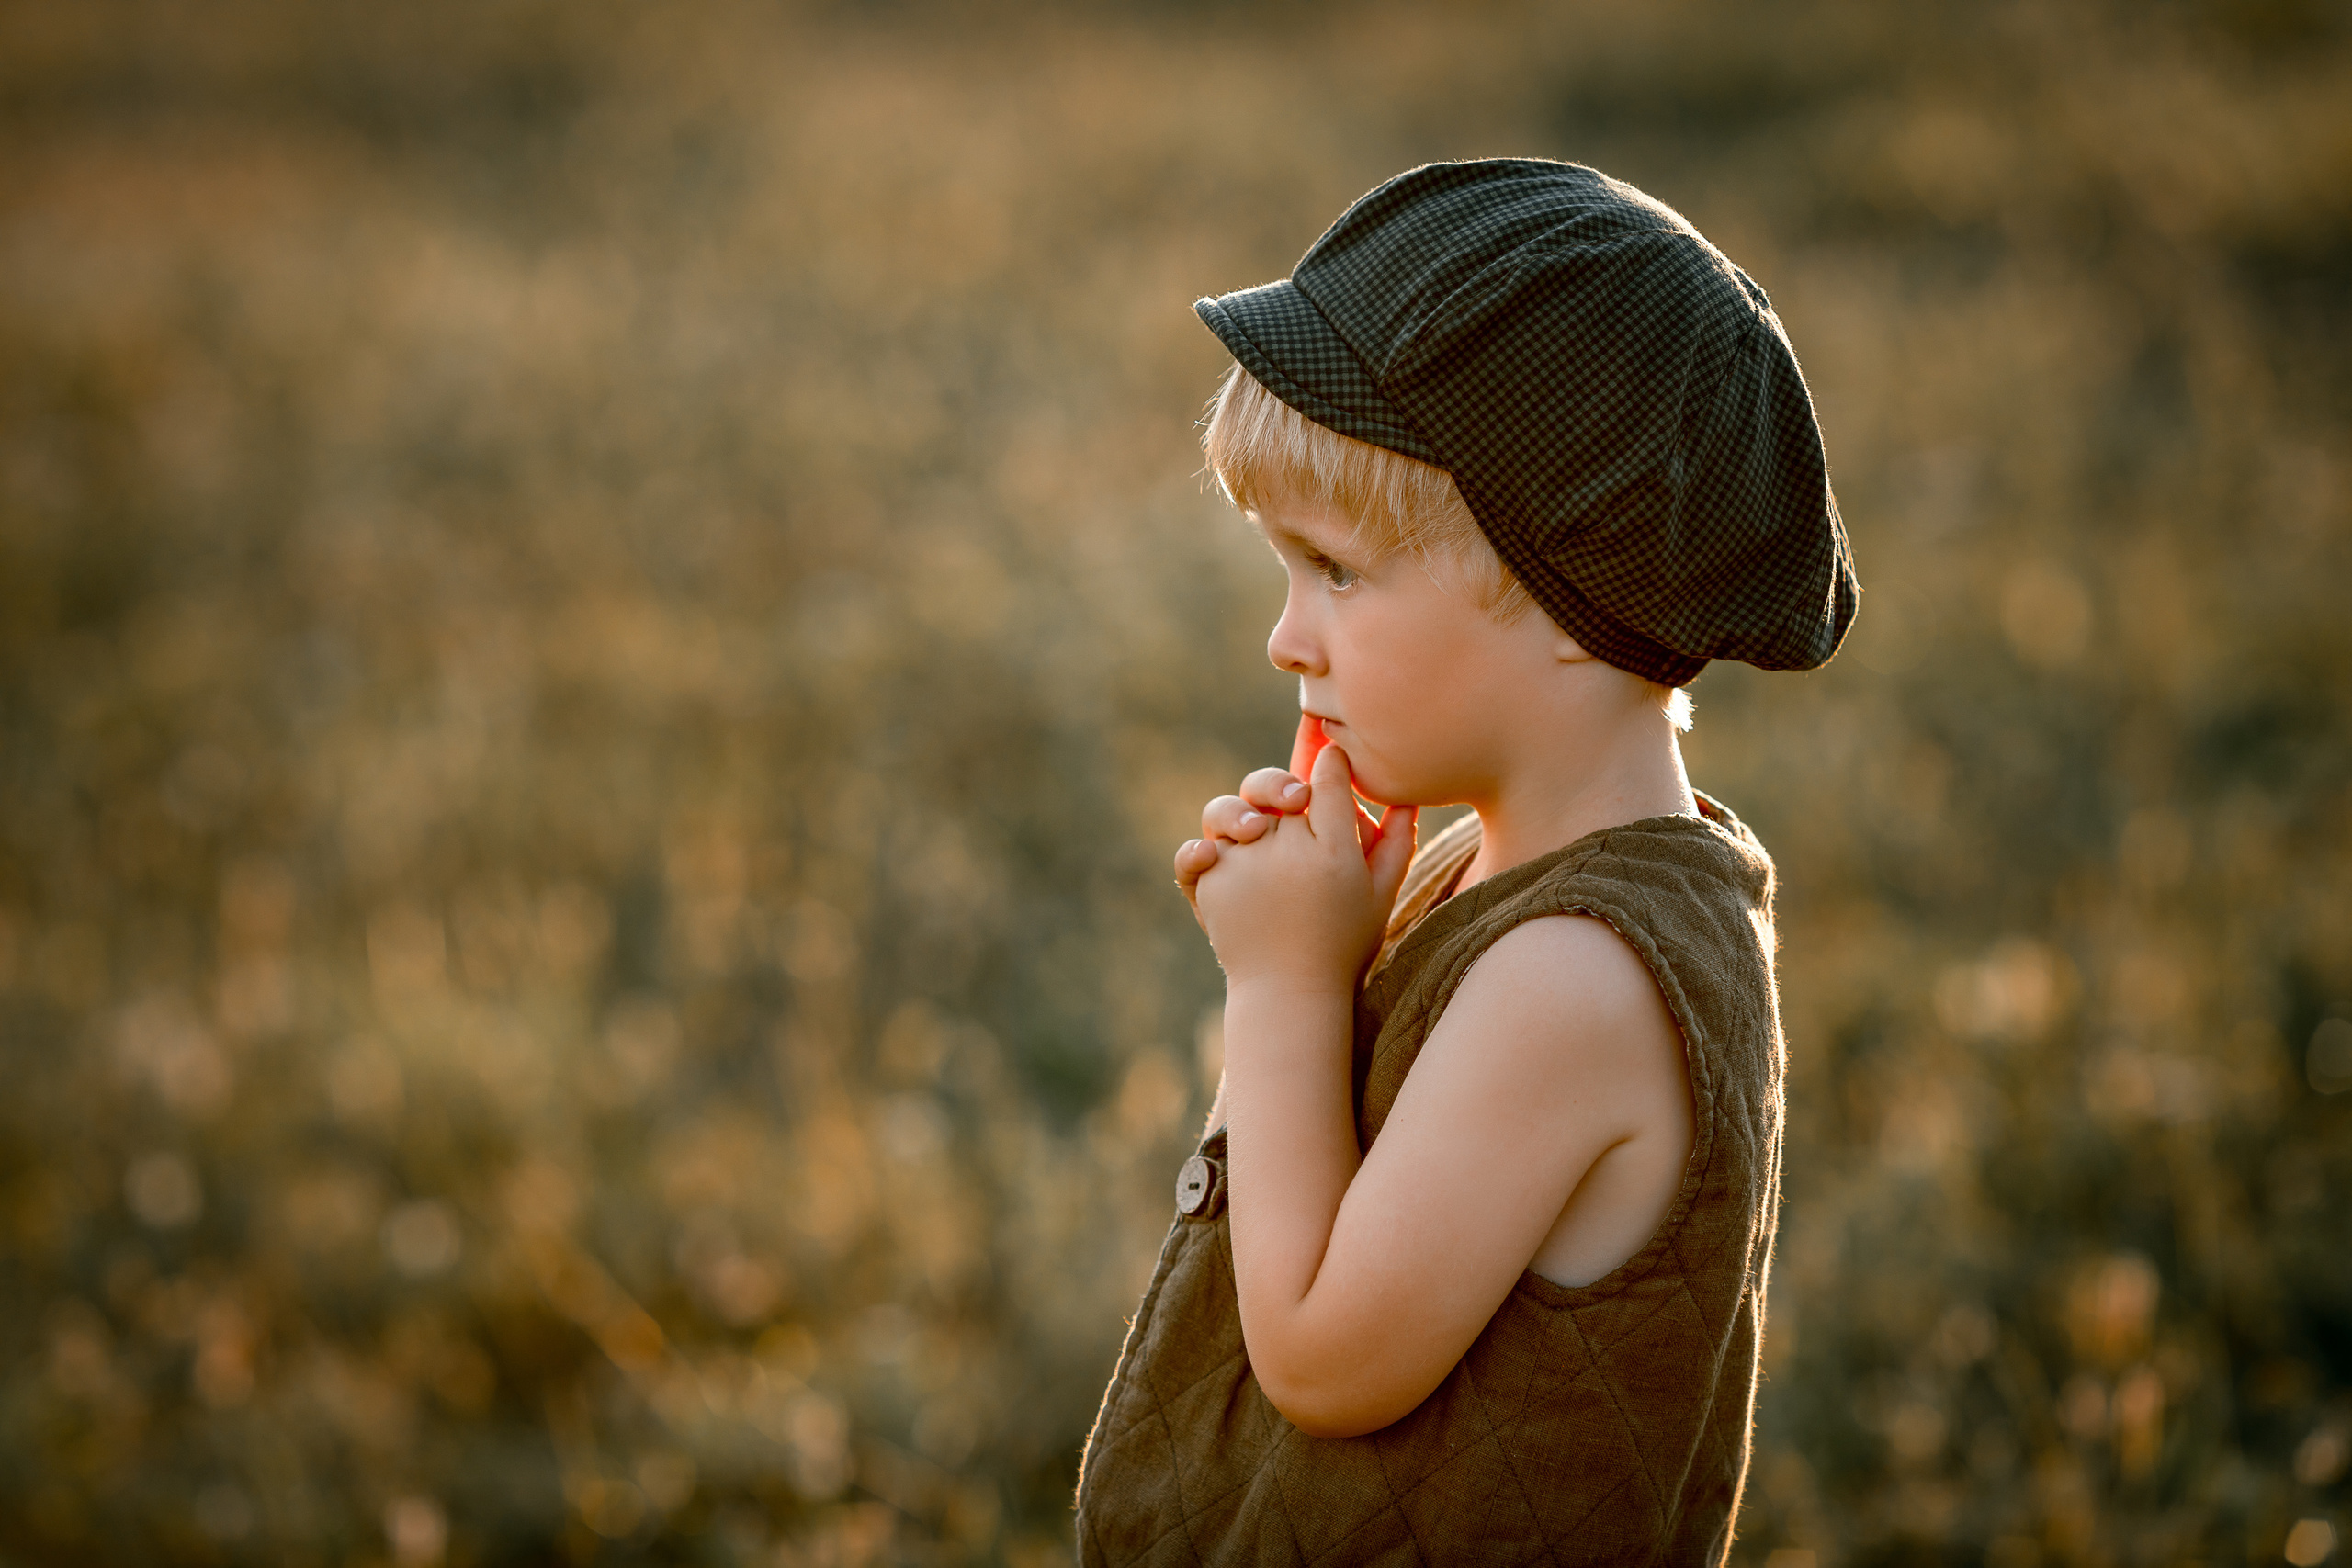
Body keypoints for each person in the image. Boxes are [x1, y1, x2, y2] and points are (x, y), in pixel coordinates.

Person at [1073, 159, 1858, 1565]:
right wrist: (1331, 946)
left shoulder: (1577, 979)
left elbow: (1321, 1357)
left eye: (1337, 572)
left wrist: (1288, 990)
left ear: (1570, 593)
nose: (1286, 637)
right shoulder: (1490, 875)